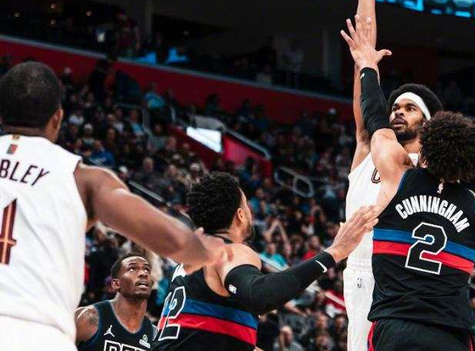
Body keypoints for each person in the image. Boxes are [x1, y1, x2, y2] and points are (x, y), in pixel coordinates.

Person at [0, 62, 229, 351]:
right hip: (37, 335)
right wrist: (204, 251)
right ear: (58, 117)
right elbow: (175, 241)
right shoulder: (84, 179)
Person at [341, 16, 475, 350]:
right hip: (450, 329)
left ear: (429, 135)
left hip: (397, 316)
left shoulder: (398, 172)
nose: (398, 113)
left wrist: (367, 66)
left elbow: (373, 117)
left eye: (410, 108)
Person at [335, 0, 444, 351]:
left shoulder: (429, 170)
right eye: (395, 106)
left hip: (403, 277)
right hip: (360, 271)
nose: (398, 111)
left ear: (428, 125)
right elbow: (364, 53)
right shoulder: (369, 147)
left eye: (410, 108)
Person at [153, 172, 377, 350]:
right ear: (240, 215)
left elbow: (206, 332)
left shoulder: (189, 262)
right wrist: (335, 251)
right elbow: (259, 295)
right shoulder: (230, 251)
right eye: (247, 206)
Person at [75, 253, 156, 350]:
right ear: (116, 284)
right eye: (132, 269)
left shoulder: (154, 335)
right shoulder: (86, 318)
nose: (143, 273)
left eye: (147, 269)